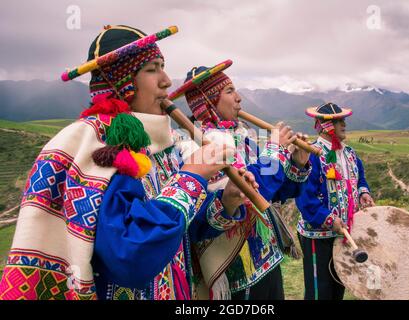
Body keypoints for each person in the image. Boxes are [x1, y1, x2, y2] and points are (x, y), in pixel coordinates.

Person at [0, 25, 254, 300]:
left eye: (163, 66)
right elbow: (130, 257)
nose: (167, 81)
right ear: (123, 83)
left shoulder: (163, 147)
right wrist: (190, 178)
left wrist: (227, 200)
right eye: (152, 68)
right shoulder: (99, 150)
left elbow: (183, 231)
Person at [177, 64, 312, 300]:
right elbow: (249, 191)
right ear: (208, 100)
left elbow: (273, 192)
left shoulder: (244, 138)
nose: (239, 98)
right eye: (229, 91)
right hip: (234, 266)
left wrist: (297, 163)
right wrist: (274, 149)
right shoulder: (199, 147)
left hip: (267, 258)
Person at [295, 102, 375, 300]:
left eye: (343, 120)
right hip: (318, 235)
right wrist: (328, 218)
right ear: (326, 125)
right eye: (339, 121)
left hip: (345, 233)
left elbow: (360, 179)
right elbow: (305, 197)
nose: (344, 125)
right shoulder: (311, 155)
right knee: (319, 291)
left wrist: (363, 193)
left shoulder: (350, 154)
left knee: (339, 286)